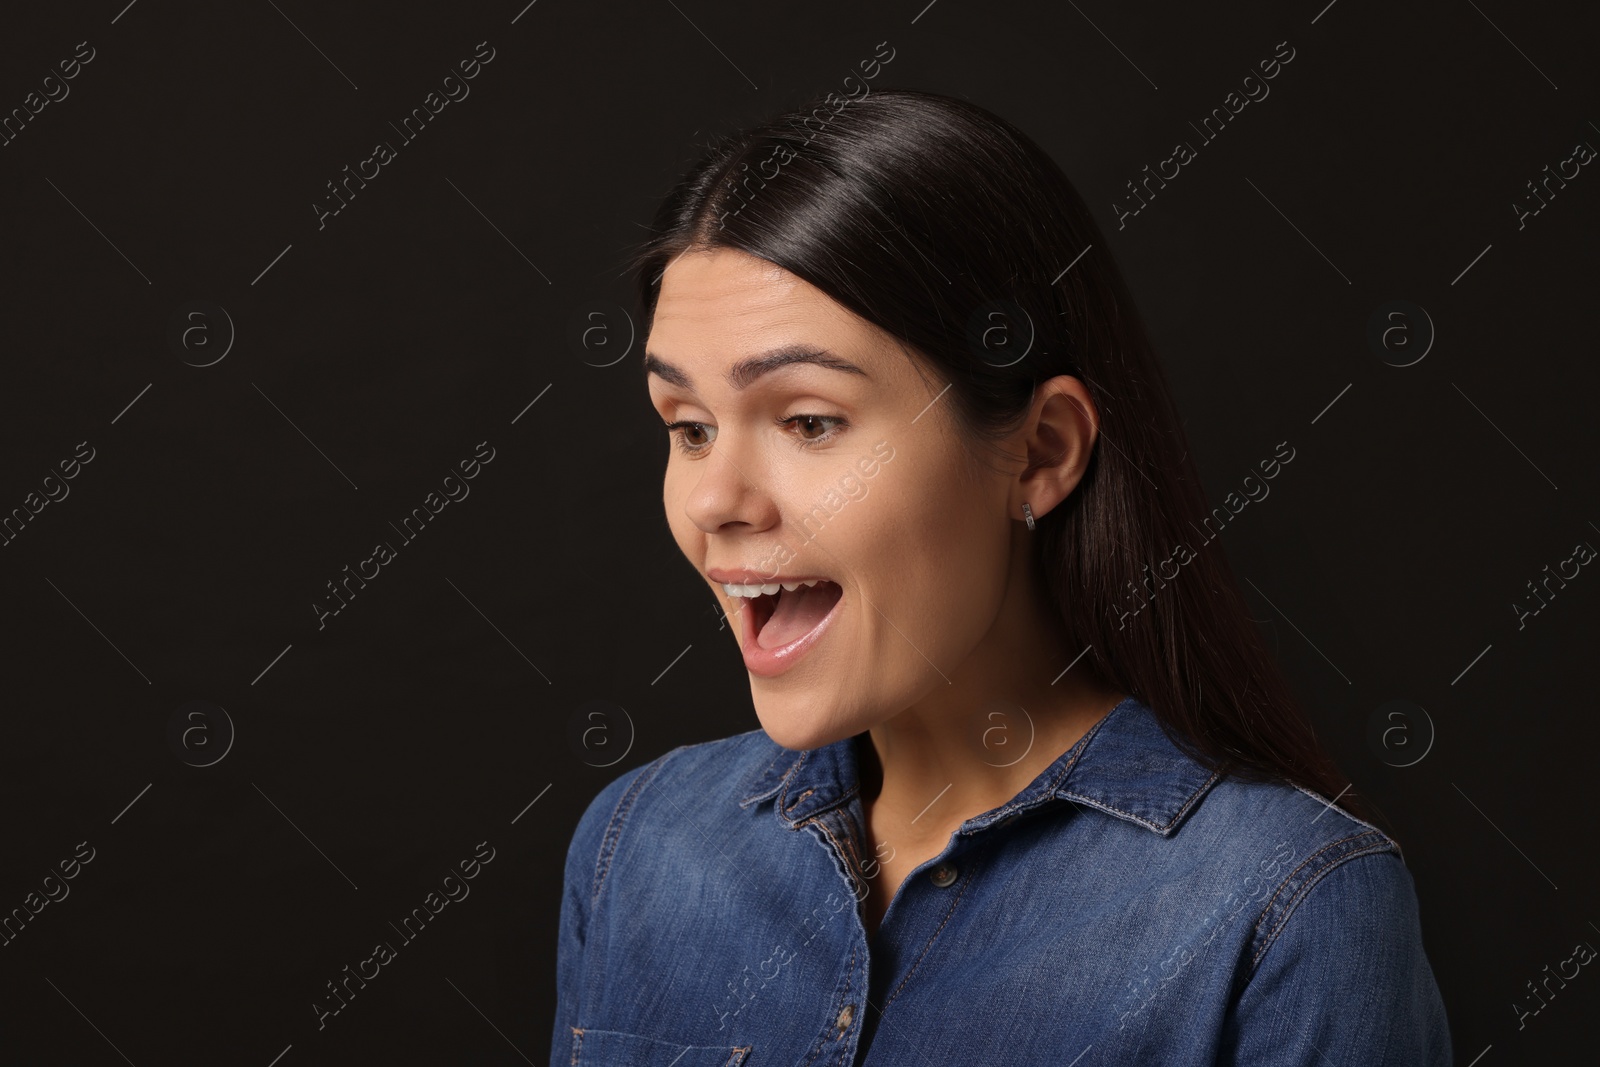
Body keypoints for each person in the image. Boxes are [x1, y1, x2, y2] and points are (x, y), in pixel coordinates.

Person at [551, 87, 1452, 1065]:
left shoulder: (1290, 910)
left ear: (1040, 451)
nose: (716, 497)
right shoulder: (638, 846)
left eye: (809, 420)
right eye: (687, 428)